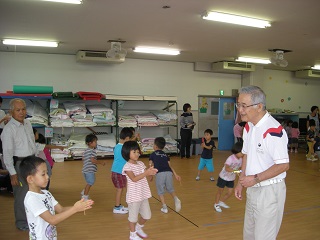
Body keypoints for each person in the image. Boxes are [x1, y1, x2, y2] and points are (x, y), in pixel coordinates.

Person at [234, 85, 289, 240]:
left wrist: (255, 178)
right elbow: (246, 155)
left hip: (269, 191)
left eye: (244, 106)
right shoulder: (249, 126)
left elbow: (283, 165)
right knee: (249, 236)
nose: (240, 109)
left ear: (259, 107)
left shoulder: (273, 131)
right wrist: (241, 181)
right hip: (252, 188)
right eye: (239, 105)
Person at [20, 156, 94, 239]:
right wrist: (75, 209)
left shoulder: (46, 193)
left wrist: (79, 207)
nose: (47, 177)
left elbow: (61, 209)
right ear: (30, 179)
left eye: (47, 173)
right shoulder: (32, 199)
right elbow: (52, 220)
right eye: (43, 174)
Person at [1, 98, 37, 231]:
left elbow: (31, 142)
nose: (21, 112)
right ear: (11, 111)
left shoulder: (27, 123)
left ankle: (33, 219)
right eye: (18, 110)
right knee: (21, 195)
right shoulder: (9, 130)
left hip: (31, 161)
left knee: (33, 193)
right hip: (19, 164)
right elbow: (7, 154)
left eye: (23, 109)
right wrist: (12, 173)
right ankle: (22, 223)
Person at [122, 141, 158, 240]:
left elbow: (148, 175)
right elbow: (134, 179)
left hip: (143, 194)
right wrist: (146, 173)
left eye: (138, 151)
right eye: (134, 152)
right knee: (133, 218)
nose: (137, 154)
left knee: (147, 216)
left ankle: (139, 227)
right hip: (134, 196)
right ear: (127, 153)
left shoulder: (141, 163)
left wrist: (151, 172)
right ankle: (132, 234)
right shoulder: (127, 166)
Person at [149, 137, 181, 214]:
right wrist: (175, 175)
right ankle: (176, 198)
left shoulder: (153, 154)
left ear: (155, 146)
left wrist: (151, 175)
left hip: (160, 174)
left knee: (160, 192)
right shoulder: (165, 154)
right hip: (169, 173)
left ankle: (164, 207)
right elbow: (170, 166)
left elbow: (150, 165)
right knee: (170, 188)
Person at [214, 142, 243, 212]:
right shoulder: (230, 158)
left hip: (231, 178)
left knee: (230, 192)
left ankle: (221, 202)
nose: (243, 153)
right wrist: (235, 171)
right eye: (242, 152)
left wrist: (240, 172)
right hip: (223, 177)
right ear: (237, 152)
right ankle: (216, 204)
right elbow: (227, 168)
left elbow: (240, 168)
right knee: (220, 191)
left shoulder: (241, 159)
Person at [111, 127, 133, 214]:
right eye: (130, 138)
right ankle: (116, 208)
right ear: (127, 138)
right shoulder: (123, 148)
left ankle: (119, 205)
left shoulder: (117, 146)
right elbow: (127, 159)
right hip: (119, 172)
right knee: (120, 189)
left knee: (121, 189)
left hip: (116, 171)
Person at [81, 133, 106, 200]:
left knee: (89, 182)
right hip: (89, 171)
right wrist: (101, 162)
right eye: (95, 142)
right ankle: (84, 197)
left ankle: (84, 191)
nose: (96, 143)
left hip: (85, 170)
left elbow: (83, 158)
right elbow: (92, 160)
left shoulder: (86, 151)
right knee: (90, 182)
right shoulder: (93, 151)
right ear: (90, 143)